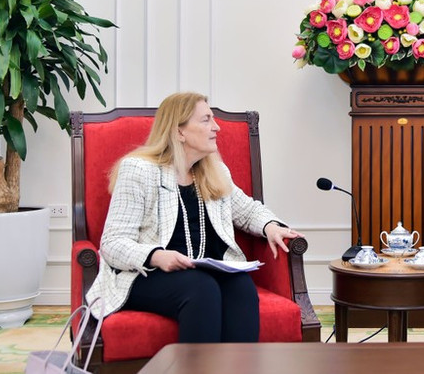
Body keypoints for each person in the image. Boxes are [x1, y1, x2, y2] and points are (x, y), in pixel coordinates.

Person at [86, 92, 302, 343]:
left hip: (206, 273)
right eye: (206, 120)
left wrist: (270, 226)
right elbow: (112, 243)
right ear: (179, 132)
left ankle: (238, 364)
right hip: (147, 274)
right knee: (201, 288)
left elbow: (247, 210)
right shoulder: (139, 170)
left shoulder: (214, 171)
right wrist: (157, 256)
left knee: (241, 287)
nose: (217, 127)